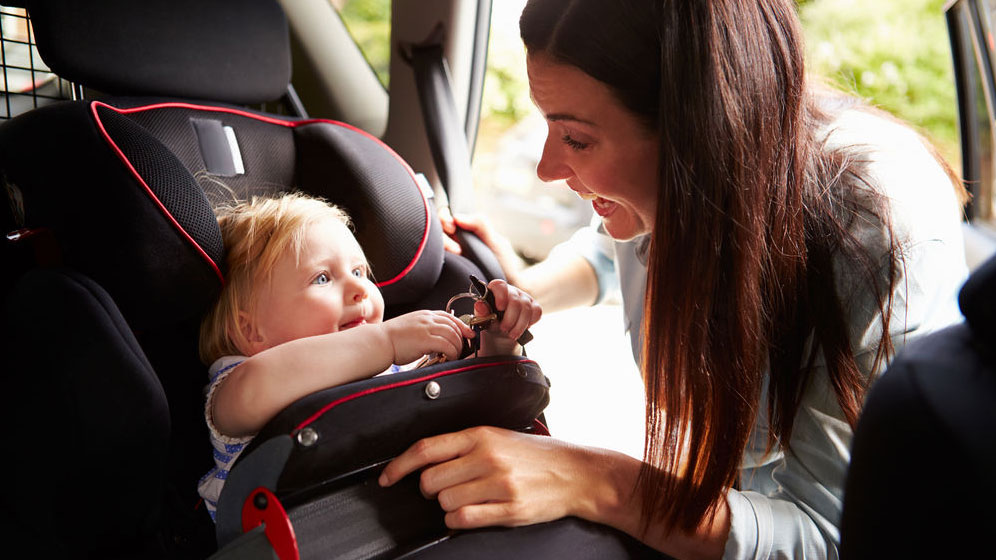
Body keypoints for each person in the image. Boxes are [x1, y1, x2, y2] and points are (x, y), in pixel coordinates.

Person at [381, 1, 970, 558]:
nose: (548, 168)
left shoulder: (876, 233)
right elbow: (613, 250)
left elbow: (827, 534)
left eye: (577, 138)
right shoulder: (669, 190)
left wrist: (592, 478)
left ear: (697, 136)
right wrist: (525, 286)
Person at [195, 193, 541, 520]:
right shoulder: (237, 383)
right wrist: (384, 340)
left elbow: (466, 412)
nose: (360, 288)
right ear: (252, 330)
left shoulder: (392, 370)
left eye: (360, 272)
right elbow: (259, 387)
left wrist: (497, 344)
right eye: (322, 278)